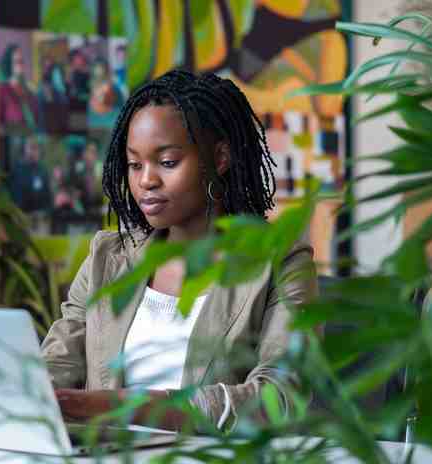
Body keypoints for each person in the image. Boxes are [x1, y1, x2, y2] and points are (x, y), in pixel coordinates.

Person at [40, 70, 317, 432]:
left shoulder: (281, 262)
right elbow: (55, 368)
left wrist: (126, 406)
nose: (145, 181)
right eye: (135, 164)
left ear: (219, 158)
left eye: (167, 162)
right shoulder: (106, 258)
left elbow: (281, 396)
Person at [0, 44, 39, 132]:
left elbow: (36, 118)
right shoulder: (1, 90)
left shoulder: (29, 88)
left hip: (34, 140)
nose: (21, 65)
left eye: (22, 61)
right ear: (9, 64)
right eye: (17, 61)